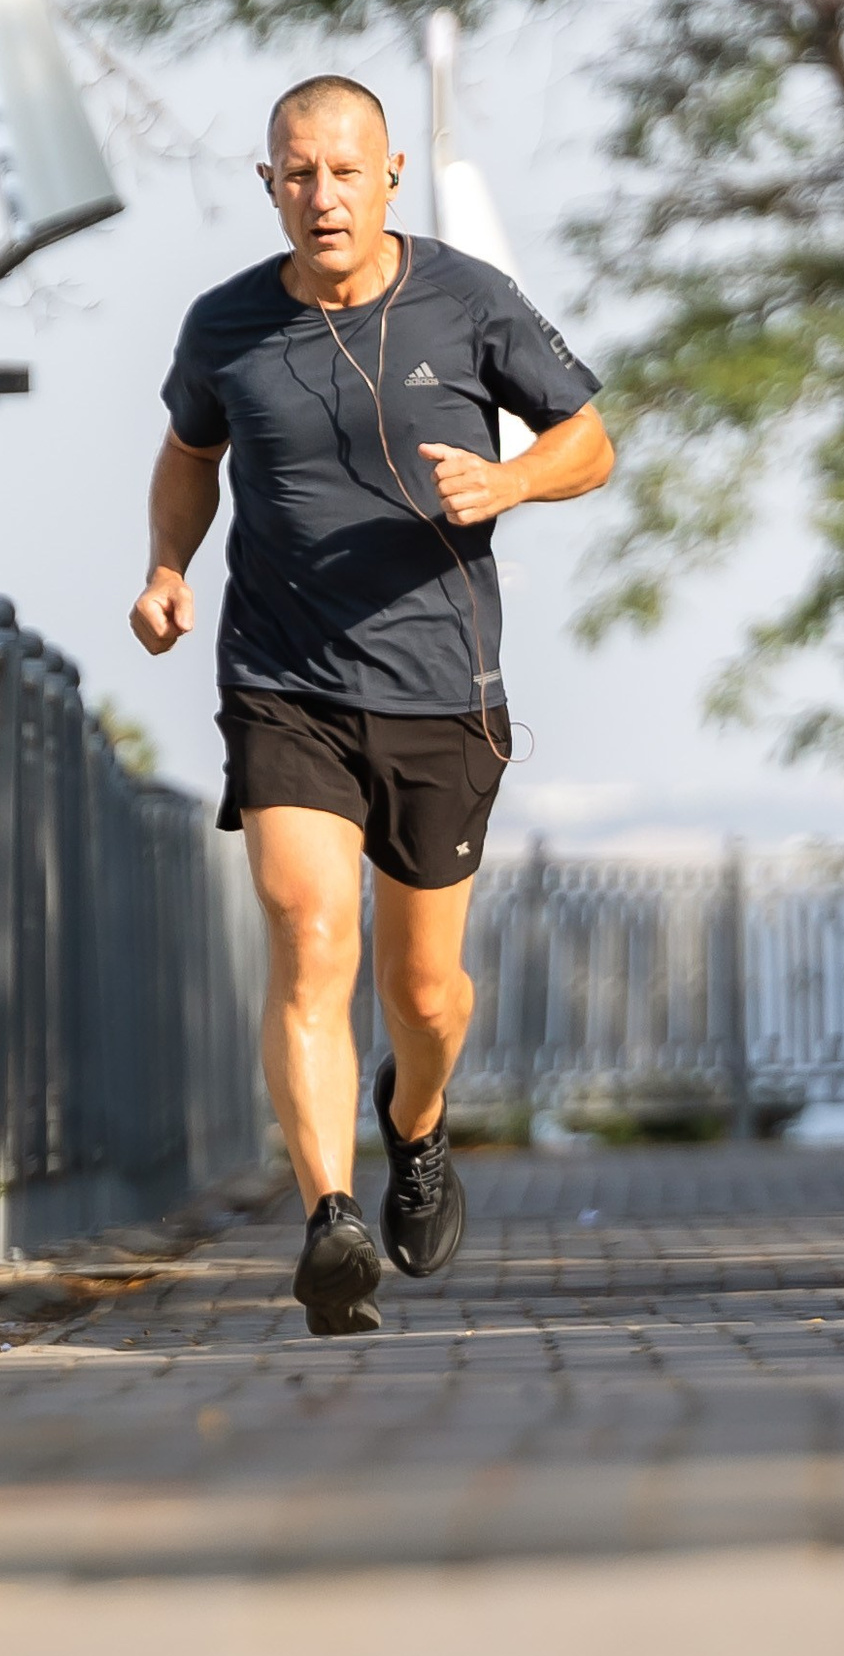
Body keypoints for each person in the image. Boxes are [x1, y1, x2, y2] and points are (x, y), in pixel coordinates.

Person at [130, 75, 616, 1333]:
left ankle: (417, 1118)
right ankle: (331, 1222)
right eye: (298, 172)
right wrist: (169, 568)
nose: (322, 194)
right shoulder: (225, 326)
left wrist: (507, 485)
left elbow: (591, 440)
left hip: (441, 691)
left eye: (345, 170)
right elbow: (190, 457)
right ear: (269, 184)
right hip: (283, 681)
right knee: (307, 931)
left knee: (428, 992)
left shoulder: (467, 301)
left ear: (389, 172)